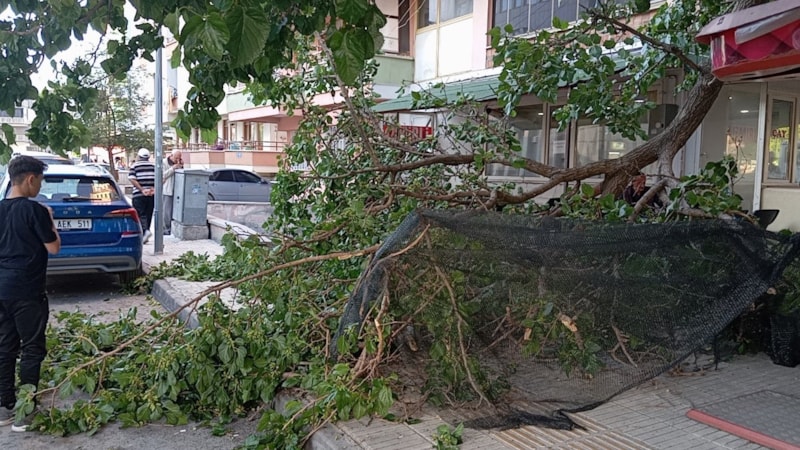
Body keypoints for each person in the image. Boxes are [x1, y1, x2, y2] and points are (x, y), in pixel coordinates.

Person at [0, 156, 61, 432]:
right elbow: (53, 248)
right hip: (28, 290)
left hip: (2, 289)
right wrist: (50, 221)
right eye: (41, 180)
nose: (40, 186)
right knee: (32, 348)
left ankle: (5, 407)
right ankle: (25, 411)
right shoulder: (35, 211)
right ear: (30, 179)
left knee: (4, 347)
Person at [128, 148, 156, 243]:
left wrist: (142, 189)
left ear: (139, 156)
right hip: (151, 195)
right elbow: (160, 178)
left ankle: (145, 231)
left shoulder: (134, 166)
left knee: (140, 214)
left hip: (138, 194)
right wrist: (153, 189)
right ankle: (145, 235)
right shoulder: (153, 166)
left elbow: (132, 179)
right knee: (148, 214)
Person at [161, 150, 183, 235]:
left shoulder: (178, 163)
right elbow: (162, 175)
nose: (177, 160)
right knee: (167, 211)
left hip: (177, 190)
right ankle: (165, 229)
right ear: (171, 156)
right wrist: (173, 168)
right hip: (167, 190)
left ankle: (172, 228)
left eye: (179, 158)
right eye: (176, 158)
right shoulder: (164, 163)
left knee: (175, 211)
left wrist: (181, 166)